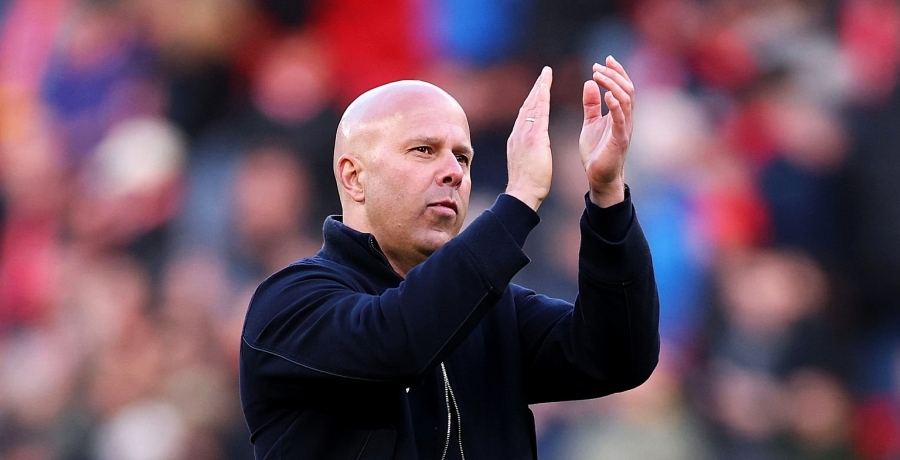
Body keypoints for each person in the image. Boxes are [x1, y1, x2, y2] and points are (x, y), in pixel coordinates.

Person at [239, 57, 660, 459]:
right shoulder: (289, 303)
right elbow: (398, 343)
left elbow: (619, 357)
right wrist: (519, 199)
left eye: (462, 157)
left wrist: (608, 195)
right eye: (424, 150)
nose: (454, 172)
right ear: (354, 177)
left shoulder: (492, 311)